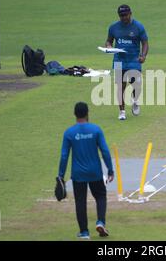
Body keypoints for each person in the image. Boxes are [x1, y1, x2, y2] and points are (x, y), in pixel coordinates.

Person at [57, 102, 114, 239]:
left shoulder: (69, 132)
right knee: (100, 196)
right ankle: (100, 222)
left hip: (78, 174)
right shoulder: (96, 130)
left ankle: (84, 232)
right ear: (88, 113)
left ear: (75, 114)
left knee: (80, 201)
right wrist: (110, 169)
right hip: (95, 172)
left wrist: (60, 175)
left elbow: (64, 156)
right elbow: (105, 151)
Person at [106, 4, 149, 120]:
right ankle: (122, 111)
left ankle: (135, 101)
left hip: (134, 60)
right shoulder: (113, 27)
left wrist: (143, 56)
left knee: (137, 85)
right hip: (119, 60)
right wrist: (109, 47)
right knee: (121, 86)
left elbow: (145, 42)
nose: (123, 18)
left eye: (125, 15)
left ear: (130, 13)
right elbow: (109, 41)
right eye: (121, 16)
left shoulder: (138, 26)